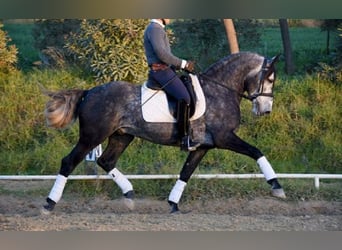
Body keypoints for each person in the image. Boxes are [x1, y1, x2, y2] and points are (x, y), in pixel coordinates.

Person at [143, 18, 200, 151]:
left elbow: (166, 55)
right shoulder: (155, 29)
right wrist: (183, 63)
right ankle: (183, 138)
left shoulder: (157, 29)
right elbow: (162, 54)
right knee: (184, 97)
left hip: (165, 69)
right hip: (160, 71)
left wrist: (180, 66)